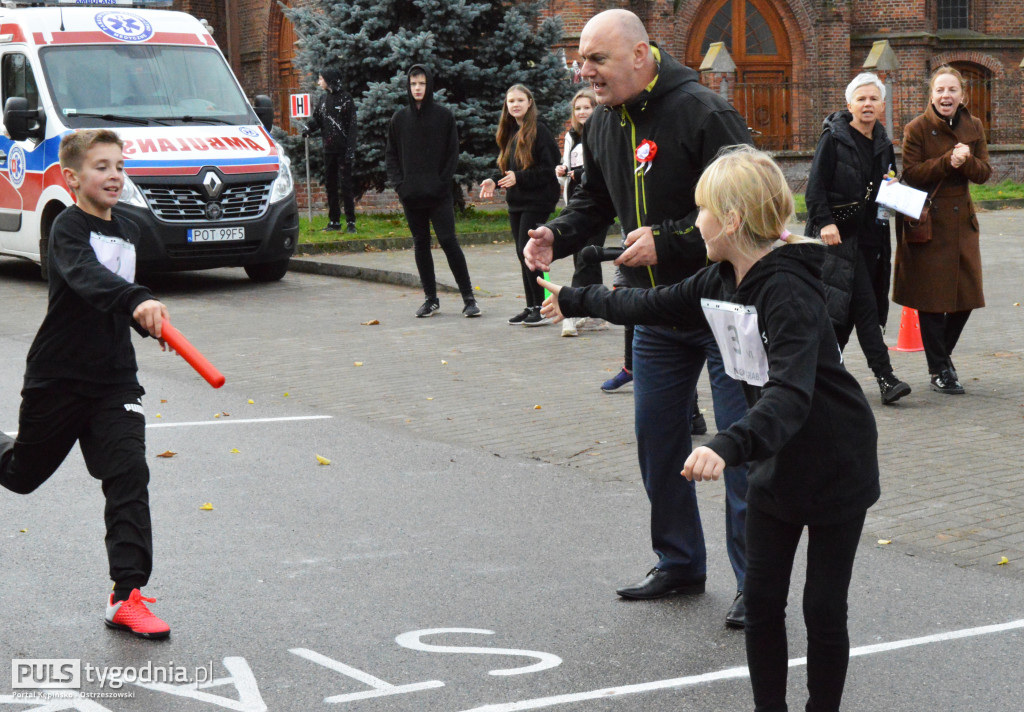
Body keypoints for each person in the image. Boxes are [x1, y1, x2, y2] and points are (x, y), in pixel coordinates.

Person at [540, 145, 879, 712]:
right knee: (765, 603)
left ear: (731, 219)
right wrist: (576, 298)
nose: (693, 221)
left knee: (822, 608)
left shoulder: (788, 291)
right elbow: (652, 302)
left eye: (701, 210)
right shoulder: (721, 277)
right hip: (773, 457)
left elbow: (791, 393)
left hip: (832, 459)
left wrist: (726, 444)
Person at [524, 9, 752, 627]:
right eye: (581, 58)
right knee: (658, 442)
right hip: (652, 312)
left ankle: (756, 584)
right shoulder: (602, 125)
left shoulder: (705, 113)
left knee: (737, 446)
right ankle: (679, 562)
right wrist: (555, 234)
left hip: (722, 305)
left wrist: (674, 241)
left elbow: (751, 203)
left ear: (641, 55)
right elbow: (592, 204)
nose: (584, 69)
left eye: (596, 58)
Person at [0, 129, 171, 639]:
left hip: (114, 382)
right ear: (72, 178)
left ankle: (127, 595)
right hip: (58, 377)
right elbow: (88, 277)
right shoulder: (67, 230)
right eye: (101, 166)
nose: (114, 175)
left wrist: (144, 317)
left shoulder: (131, 228)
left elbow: (118, 294)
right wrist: (136, 298)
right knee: (21, 474)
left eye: (119, 165)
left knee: (128, 476)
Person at [805, 72, 911, 405]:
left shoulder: (883, 142)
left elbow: (887, 187)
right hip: (837, 240)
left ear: (883, 105)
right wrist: (824, 222)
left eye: (873, 99)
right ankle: (886, 378)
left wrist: (908, 202)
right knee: (864, 305)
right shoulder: (834, 138)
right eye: (861, 99)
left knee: (843, 312)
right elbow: (814, 187)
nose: (867, 104)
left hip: (871, 239)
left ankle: (819, 375)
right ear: (849, 103)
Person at [894, 65, 991, 394]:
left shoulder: (974, 126)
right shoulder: (916, 128)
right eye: (940, 90)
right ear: (931, 95)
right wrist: (946, 162)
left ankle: (942, 358)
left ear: (962, 94)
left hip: (962, 225)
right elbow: (910, 174)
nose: (946, 96)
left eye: (952, 90)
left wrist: (967, 162)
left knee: (967, 298)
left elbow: (984, 174)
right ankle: (940, 370)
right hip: (929, 226)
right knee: (932, 301)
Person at [386, 64, 480, 319]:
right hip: (411, 196)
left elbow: (452, 153)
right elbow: (392, 156)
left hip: (438, 195)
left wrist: (442, 182)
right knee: (421, 244)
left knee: (449, 241)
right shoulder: (399, 119)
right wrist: (400, 186)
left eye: (422, 84)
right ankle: (430, 299)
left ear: (429, 86)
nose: (417, 88)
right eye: (414, 84)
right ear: (408, 86)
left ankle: (469, 298)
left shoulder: (443, 116)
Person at [480, 84, 561, 327]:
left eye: (520, 100)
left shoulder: (540, 131)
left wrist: (519, 177)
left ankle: (542, 307)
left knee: (530, 253)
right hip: (517, 200)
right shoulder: (510, 131)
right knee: (521, 253)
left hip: (538, 199)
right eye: (510, 101)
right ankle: (531, 306)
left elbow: (549, 170)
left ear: (529, 103)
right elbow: (509, 169)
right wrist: (494, 181)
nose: (515, 105)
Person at [555, 88, 605, 337]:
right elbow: (567, 163)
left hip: (598, 203)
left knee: (588, 256)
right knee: (583, 257)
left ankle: (571, 311)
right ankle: (597, 310)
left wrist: (582, 173)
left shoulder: (602, 133)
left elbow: (601, 167)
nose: (582, 112)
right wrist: (563, 170)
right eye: (578, 108)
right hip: (575, 201)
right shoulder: (571, 135)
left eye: (587, 107)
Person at [303, 67, 357, 233]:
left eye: (321, 79)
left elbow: (352, 126)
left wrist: (350, 150)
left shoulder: (346, 99)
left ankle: (350, 222)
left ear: (329, 80)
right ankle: (334, 221)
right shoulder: (323, 99)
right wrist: (308, 129)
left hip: (343, 150)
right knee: (331, 185)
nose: (319, 82)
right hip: (329, 149)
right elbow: (318, 119)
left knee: (346, 185)